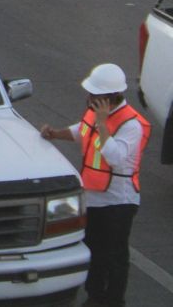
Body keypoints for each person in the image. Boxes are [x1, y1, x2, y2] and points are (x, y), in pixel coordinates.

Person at [41, 63, 148, 307]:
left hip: (119, 202)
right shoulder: (94, 113)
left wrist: (102, 124)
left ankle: (113, 300)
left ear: (108, 97)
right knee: (94, 251)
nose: (89, 98)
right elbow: (81, 131)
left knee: (115, 256)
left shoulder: (131, 124)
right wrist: (56, 133)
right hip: (95, 197)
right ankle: (95, 296)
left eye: (94, 95)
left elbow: (116, 158)